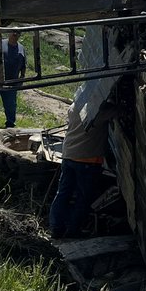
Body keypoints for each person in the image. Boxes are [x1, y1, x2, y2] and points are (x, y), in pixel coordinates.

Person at [48, 102, 115, 240]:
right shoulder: (97, 113)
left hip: (69, 155)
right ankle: (73, 230)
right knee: (83, 198)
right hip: (87, 160)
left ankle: (56, 228)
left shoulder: (74, 106)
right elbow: (118, 111)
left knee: (63, 194)